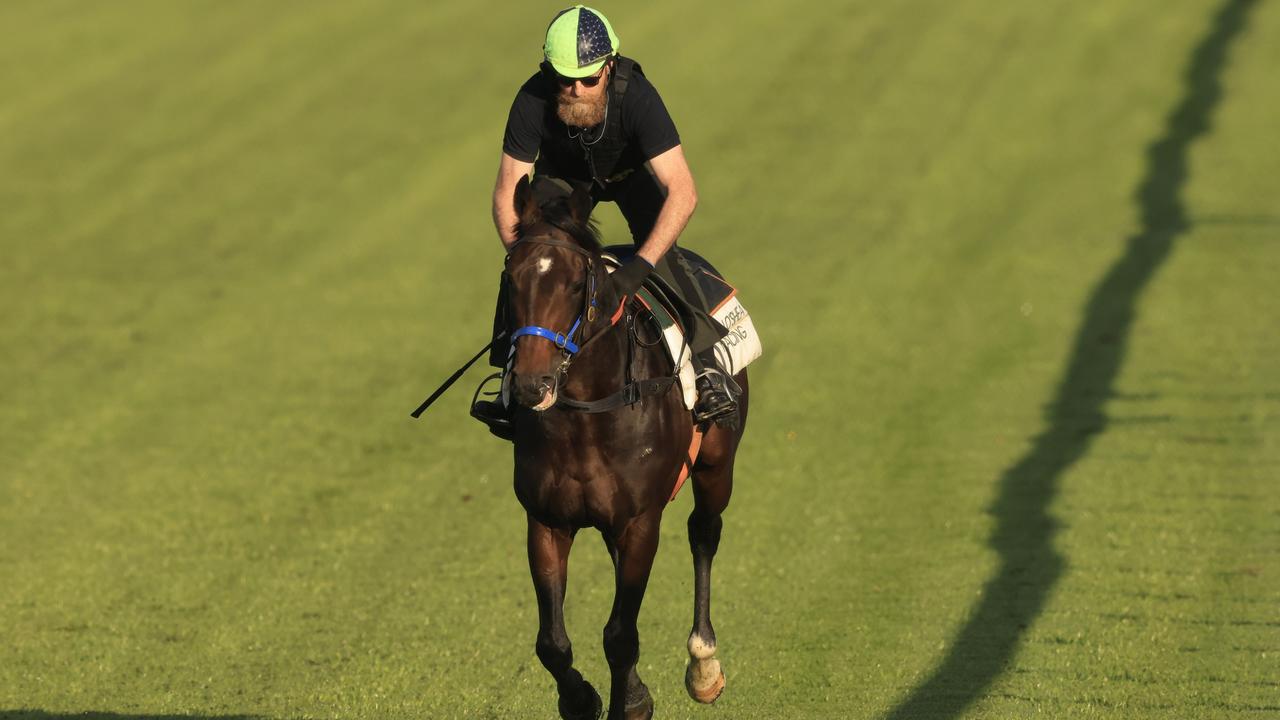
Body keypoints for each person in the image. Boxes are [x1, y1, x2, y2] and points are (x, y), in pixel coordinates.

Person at [473, 4, 737, 434]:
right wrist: (527, 258)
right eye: (564, 79)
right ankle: (508, 382)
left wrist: (639, 268)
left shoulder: (638, 98)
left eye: (589, 78)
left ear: (609, 67)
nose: (576, 89)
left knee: (668, 257)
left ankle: (707, 370)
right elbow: (507, 194)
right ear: (548, 72)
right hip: (565, 181)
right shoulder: (531, 99)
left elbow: (683, 192)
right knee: (526, 272)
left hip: (631, 177)